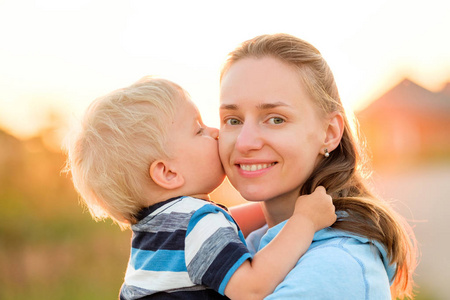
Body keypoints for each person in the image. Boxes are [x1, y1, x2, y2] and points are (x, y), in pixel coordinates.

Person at [63, 76, 336, 299]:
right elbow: (250, 289)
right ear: (168, 173)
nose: (216, 132)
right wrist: (304, 220)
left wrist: (282, 202)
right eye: (198, 130)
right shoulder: (198, 223)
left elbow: (233, 221)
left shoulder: (157, 229)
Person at [218, 33, 417, 299]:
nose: (244, 142)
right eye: (233, 120)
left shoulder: (334, 267)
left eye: (276, 119)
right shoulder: (250, 241)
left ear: (329, 132)